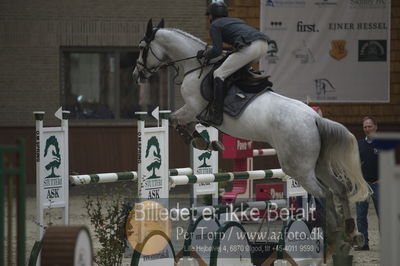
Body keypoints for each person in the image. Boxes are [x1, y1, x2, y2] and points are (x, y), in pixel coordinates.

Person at [196, 1, 270, 126]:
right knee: (238, 70)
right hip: (263, 45)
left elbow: (216, 50)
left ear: (211, 17)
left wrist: (204, 54)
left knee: (219, 74)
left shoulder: (215, 25)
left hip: (250, 47)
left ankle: (217, 115)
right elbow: (232, 47)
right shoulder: (236, 21)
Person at [355, 116, 380, 251]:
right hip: (362, 185)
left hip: (379, 184)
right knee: (360, 215)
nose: (367, 129)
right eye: (365, 127)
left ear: (376, 127)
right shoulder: (358, 144)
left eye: (369, 126)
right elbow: (355, 164)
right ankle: (363, 243)